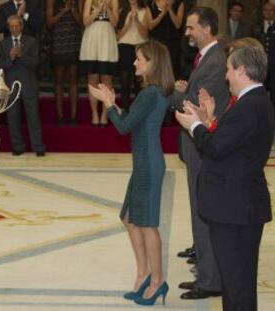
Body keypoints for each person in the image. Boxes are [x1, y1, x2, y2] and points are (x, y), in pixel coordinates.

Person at [175, 45, 274, 311]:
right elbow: (230, 143)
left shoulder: (249, 106)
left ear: (242, 70)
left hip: (235, 210)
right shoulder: (253, 102)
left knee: (237, 286)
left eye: (229, 69)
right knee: (236, 284)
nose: (226, 76)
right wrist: (208, 120)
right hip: (237, 206)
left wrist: (194, 125)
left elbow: (216, 148)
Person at [89, 40, 174, 306]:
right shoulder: (152, 91)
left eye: (140, 59)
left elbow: (124, 127)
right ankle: (144, 273)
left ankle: (158, 281)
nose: (135, 62)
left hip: (148, 163)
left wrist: (108, 104)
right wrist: (114, 104)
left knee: (148, 225)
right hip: (145, 162)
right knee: (129, 217)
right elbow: (134, 122)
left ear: (152, 63)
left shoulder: (150, 93)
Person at [168, 6, 229, 299]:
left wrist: (175, 93)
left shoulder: (216, 61)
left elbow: (193, 104)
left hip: (203, 147)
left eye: (191, 27)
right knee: (198, 212)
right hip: (196, 147)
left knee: (204, 214)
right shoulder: (208, 58)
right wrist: (186, 90)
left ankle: (211, 280)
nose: (187, 32)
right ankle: (205, 271)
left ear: (206, 28)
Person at [0, 15, 45, 156]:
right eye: (11, 26)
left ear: (21, 26)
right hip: (11, 86)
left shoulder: (31, 42)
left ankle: (38, 147)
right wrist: (11, 58)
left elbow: (35, 63)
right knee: (12, 118)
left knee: (33, 118)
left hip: (29, 85)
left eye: (16, 26)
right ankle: (17, 147)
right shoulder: (3, 44)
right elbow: (0, 66)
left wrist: (21, 55)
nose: (14, 29)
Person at [80, 0, 119, 126]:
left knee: (106, 78)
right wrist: (97, 10)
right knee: (92, 78)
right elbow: (85, 21)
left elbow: (115, 22)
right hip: (91, 37)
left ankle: (104, 114)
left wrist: (107, 8)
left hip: (107, 37)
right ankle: (94, 114)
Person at [46, 0, 82, 126]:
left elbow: (82, 22)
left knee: (73, 81)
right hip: (58, 44)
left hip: (73, 43)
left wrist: (72, 10)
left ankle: (73, 116)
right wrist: (64, 12)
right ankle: (60, 116)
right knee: (59, 81)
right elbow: (49, 23)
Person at [116, 0, 148, 112]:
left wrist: (137, 21)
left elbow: (145, 34)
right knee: (124, 83)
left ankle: (138, 112)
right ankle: (125, 110)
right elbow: (118, 36)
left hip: (139, 48)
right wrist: (129, 22)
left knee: (138, 83)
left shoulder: (145, 11)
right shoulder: (122, 11)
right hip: (124, 47)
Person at [147, 0, 185, 79]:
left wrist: (170, 9)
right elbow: (150, 26)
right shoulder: (151, 3)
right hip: (157, 42)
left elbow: (178, 24)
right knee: (156, 69)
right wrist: (162, 14)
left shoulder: (178, 3)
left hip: (173, 43)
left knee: (172, 69)